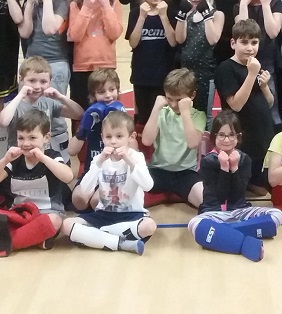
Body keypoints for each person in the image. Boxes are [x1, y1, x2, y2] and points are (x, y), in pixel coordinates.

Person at [0, 111, 71, 256]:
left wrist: (43, 158)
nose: (26, 143)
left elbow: (68, 177)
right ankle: (33, 239)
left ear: (46, 138)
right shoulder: (15, 160)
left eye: (32, 138)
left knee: (54, 221)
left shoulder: (52, 156)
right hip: (19, 215)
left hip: (45, 214)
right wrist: (5, 159)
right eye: (21, 138)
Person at [192, 111, 282, 262]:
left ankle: (224, 235)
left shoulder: (244, 160)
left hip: (239, 212)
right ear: (214, 137)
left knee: (277, 215)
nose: (226, 140)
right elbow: (220, 196)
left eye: (231, 135)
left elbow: (238, 194)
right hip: (214, 213)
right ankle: (243, 243)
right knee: (195, 225)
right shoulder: (208, 161)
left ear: (238, 137)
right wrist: (223, 168)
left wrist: (234, 167)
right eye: (221, 135)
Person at [64, 111, 154, 254]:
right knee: (67, 225)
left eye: (119, 136)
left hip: (131, 214)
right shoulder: (99, 159)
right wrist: (98, 163)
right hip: (104, 214)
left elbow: (148, 186)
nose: (113, 141)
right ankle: (122, 244)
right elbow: (85, 190)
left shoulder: (136, 157)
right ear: (102, 137)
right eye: (108, 136)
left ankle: (100, 236)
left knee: (149, 226)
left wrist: (129, 161)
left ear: (131, 137)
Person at [214, 19, 275, 188]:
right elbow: (236, 105)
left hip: (261, 131)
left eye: (254, 43)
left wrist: (264, 87)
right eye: (244, 42)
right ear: (233, 43)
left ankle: (252, 181)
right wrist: (251, 74)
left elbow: (270, 103)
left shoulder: (254, 66)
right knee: (245, 174)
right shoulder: (226, 68)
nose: (250, 48)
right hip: (244, 134)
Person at [0, 56, 84, 164]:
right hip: (19, 159)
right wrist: (20, 96)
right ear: (21, 79)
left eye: (43, 82)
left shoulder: (48, 103)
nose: (37, 86)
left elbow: (79, 114)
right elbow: (2, 122)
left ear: (50, 82)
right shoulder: (15, 105)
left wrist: (61, 97)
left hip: (43, 157)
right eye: (32, 81)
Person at [141, 69, 206, 207]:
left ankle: (170, 194)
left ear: (192, 96)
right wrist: (156, 109)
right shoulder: (162, 112)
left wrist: (185, 112)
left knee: (205, 201)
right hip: (157, 170)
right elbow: (146, 140)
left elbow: (193, 143)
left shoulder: (198, 116)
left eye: (179, 100)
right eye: (169, 99)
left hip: (185, 173)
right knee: (129, 195)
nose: (174, 104)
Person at [66, 0, 123, 111]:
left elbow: (115, 33)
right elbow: (75, 35)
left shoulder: (114, 4)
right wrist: (86, 7)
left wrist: (106, 7)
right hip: (82, 66)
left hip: (106, 65)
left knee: (107, 109)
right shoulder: (76, 5)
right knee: (82, 109)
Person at [128, 0, 178, 128]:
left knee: (162, 119)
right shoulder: (135, 13)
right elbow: (133, 43)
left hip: (164, 75)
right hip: (142, 75)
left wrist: (163, 16)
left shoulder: (171, 13)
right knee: (143, 117)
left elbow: (173, 42)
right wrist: (142, 17)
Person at [235, 0, 282, 125]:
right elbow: (242, 31)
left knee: (271, 103)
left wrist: (265, 5)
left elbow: (273, 32)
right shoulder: (239, 7)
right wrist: (243, 5)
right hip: (245, 62)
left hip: (268, 61)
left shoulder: (276, 4)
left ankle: (273, 131)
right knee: (248, 102)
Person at [175, 0, 224, 125]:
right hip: (187, 74)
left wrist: (206, 14)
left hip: (206, 75)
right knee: (187, 111)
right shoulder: (188, 15)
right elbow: (179, 39)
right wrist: (182, 16)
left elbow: (213, 39)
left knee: (204, 115)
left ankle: (205, 140)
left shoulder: (217, 15)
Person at [19, 0, 70, 94]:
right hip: (31, 62)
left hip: (55, 62)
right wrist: (29, 5)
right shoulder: (29, 2)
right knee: (27, 105)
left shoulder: (61, 3)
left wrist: (47, 0)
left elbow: (50, 29)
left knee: (53, 105)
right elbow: (24, 33)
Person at [68, 68, 126, 176]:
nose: (108, 95)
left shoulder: (122, 116)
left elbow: (134, 150)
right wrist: (84, 127)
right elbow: (71, 151)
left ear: (118, 90)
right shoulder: (92, 116)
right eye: (101, 92)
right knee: (79, 188)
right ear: (93, 95)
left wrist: (124, 122)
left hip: (118, 175)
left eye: (112, 89)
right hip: (93, 173)